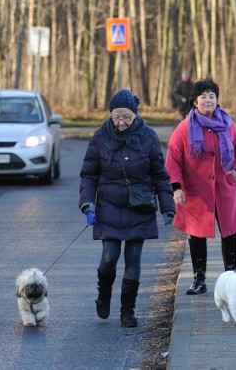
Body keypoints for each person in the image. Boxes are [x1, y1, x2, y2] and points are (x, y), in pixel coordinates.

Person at [78, 88, 176, 327]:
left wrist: (167, 206)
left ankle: (128, 311)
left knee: (133, 259)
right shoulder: (101, 136)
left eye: (126, 117)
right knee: (109, 257)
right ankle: (103, 294)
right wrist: (87, 202)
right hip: (109, 205)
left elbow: (160, 176)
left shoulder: (148, 137)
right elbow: (89, 174)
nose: (121, 123)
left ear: (135, 114)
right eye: (116, 117)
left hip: (139, 206)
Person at [165, 79, 236, 295]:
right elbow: (173, 159)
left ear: (217, 100)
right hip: (196, 190)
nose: (208, 100)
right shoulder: (184, 128)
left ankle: (231, 277)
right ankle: (198, 279)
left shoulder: (228, 124)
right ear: (195, 102)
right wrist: (176, 187)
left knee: (230, 232)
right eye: (203, 96)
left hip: (225, 187)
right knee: (196, 234)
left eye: (212, 96)